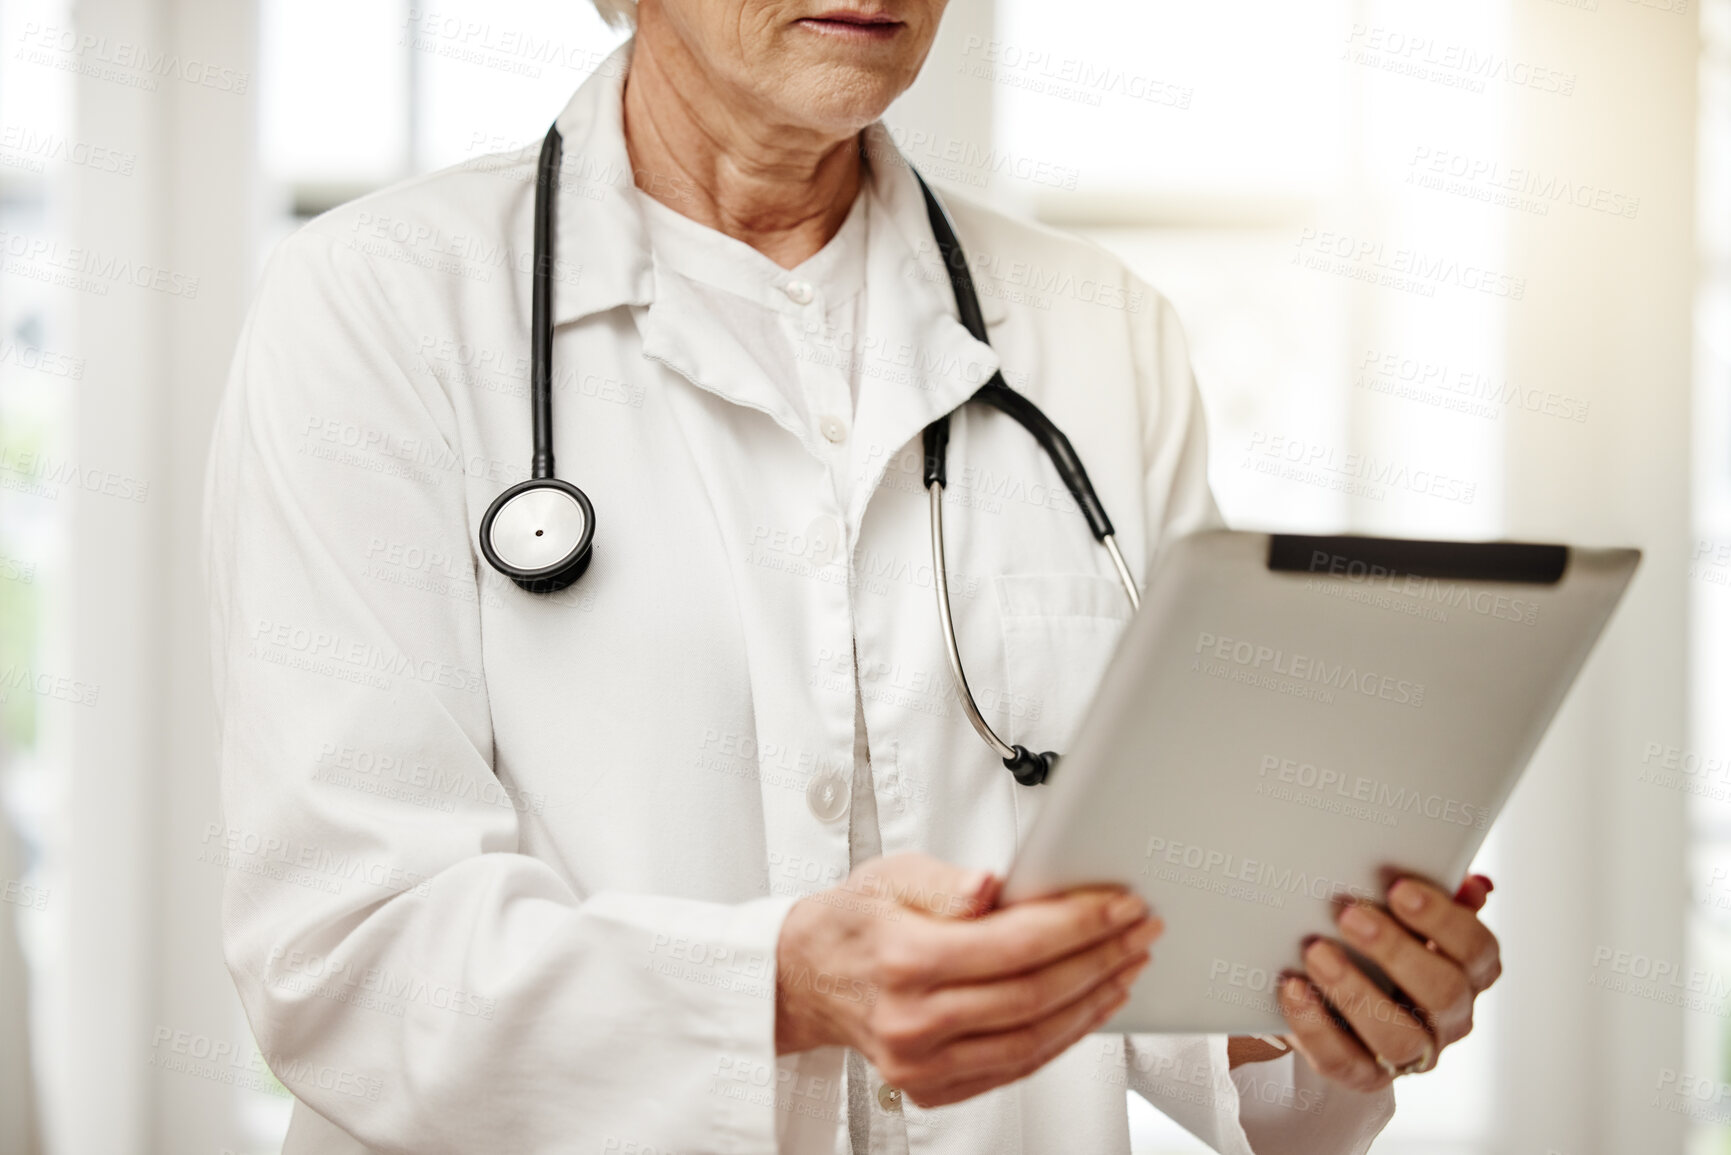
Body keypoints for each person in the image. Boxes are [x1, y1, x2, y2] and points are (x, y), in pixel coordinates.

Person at [202, 1, 1502, 1152]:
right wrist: (776, 984)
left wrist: (1313, 1002)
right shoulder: (380, 305)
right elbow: (347, 956)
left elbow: (1157, 927)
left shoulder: (1101, 330)